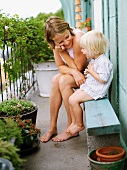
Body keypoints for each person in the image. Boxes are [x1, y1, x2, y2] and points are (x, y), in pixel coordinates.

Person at [40, 16, 87, 142]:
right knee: (56, 79)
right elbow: (61, 67)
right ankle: (52, 127)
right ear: (53, 42)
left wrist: (63, 53)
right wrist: (72, 71)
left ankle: (71, 126)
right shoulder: (55, 45)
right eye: (60, 42)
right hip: (79, 75)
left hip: (92, 74)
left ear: (68, 29)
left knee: (63, 81)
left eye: (67, 37)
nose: (66, 43)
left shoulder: (78, 38)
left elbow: (79, 68)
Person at [67, 30, 113, 135]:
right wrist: (89, 72)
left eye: (84, 48)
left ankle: (79, 124)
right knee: (71, 98)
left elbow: (103, 79)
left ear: (93, 49)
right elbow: (94, 74)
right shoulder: (95, 59)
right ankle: (74, 122)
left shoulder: (104, 62)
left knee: (74, 101)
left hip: (97, 91)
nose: (82, 51)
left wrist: (91, 72)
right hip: (90, 86)